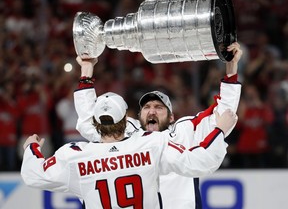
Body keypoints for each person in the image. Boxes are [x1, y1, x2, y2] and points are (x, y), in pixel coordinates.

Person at [74, 42, 243, 208]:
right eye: (147, 107)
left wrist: (231, 67)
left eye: (159, 107)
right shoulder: (126, 133)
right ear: (139, 115)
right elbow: (91, 120)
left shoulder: (186, 130)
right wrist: (86, 70)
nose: (152, 111)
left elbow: (224, 113)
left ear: (171, 117)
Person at [21, 92, 237, 209]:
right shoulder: (148, 146)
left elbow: (33, 175)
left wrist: (31, 148)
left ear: (95, 124)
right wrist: (219, 131)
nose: (152, 111)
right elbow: (203, 160)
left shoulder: (76, 156)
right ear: (127, 119)